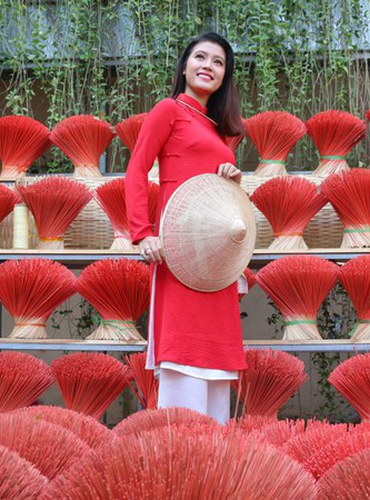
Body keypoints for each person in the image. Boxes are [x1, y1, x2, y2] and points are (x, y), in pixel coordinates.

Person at [124, 32, 246, 424]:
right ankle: (180, 456)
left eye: (218, 62)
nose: (208, 66)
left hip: (216, 256)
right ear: (184, 65)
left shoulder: (220, 130)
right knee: (183, 351)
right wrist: (143, 233)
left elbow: (214, 195)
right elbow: (136, 170)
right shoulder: (169, 111)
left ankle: (214, 467)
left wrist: (230, 179)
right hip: (178, 250)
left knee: (217, 360)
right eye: (200, 57)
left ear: (225, 76)